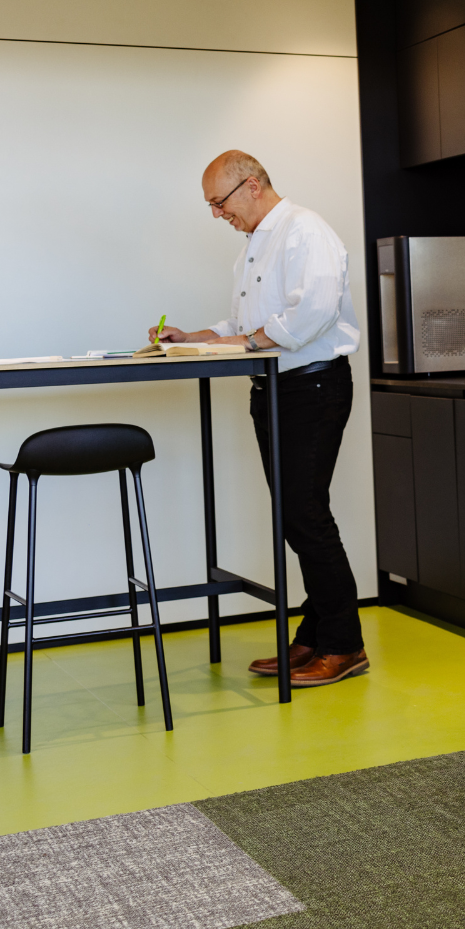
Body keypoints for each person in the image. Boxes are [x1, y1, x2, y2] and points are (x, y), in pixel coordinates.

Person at [152, 151, 367, 686]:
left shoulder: (304, 230)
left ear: (251, 186)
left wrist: (248, 342)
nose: (217, 214)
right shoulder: (255, 243)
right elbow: (247, 321)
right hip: (274, 388)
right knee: (295, 517)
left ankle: (344, 645)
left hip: (312, 386)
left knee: (305, 516)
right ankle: (315, 636)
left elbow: (313, 312)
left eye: (219, 202)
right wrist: (197, 337)